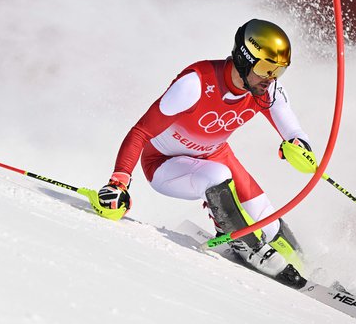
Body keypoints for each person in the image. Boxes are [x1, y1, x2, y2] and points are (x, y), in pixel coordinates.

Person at [96, 19, 313, 289]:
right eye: (266, 68)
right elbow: (140, 132)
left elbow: (293, 129)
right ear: (244, 59)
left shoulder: (266, 90)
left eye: (279, 70)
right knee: (217, 175)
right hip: (164, 163)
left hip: (214, 154)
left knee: (267, 222)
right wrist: (119, 182)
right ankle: (243, 244)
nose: (271, 78)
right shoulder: (195, 85)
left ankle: (307, 267)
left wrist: (298, 146)